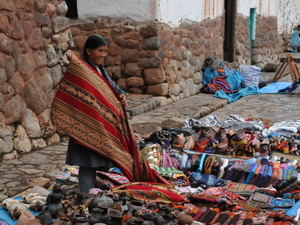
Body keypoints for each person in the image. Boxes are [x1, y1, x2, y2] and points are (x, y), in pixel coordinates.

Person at [51, 34, 167, 193]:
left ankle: (90, 192)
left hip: (101, 125)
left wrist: (121, 95)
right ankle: (85, 196)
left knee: (96, 162)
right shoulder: (83, 70)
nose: (104, 55)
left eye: (105, 51)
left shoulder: (100, 70)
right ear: (89, 51)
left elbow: (112, 87)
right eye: (100, 51)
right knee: (87, 164)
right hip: (87, 124)